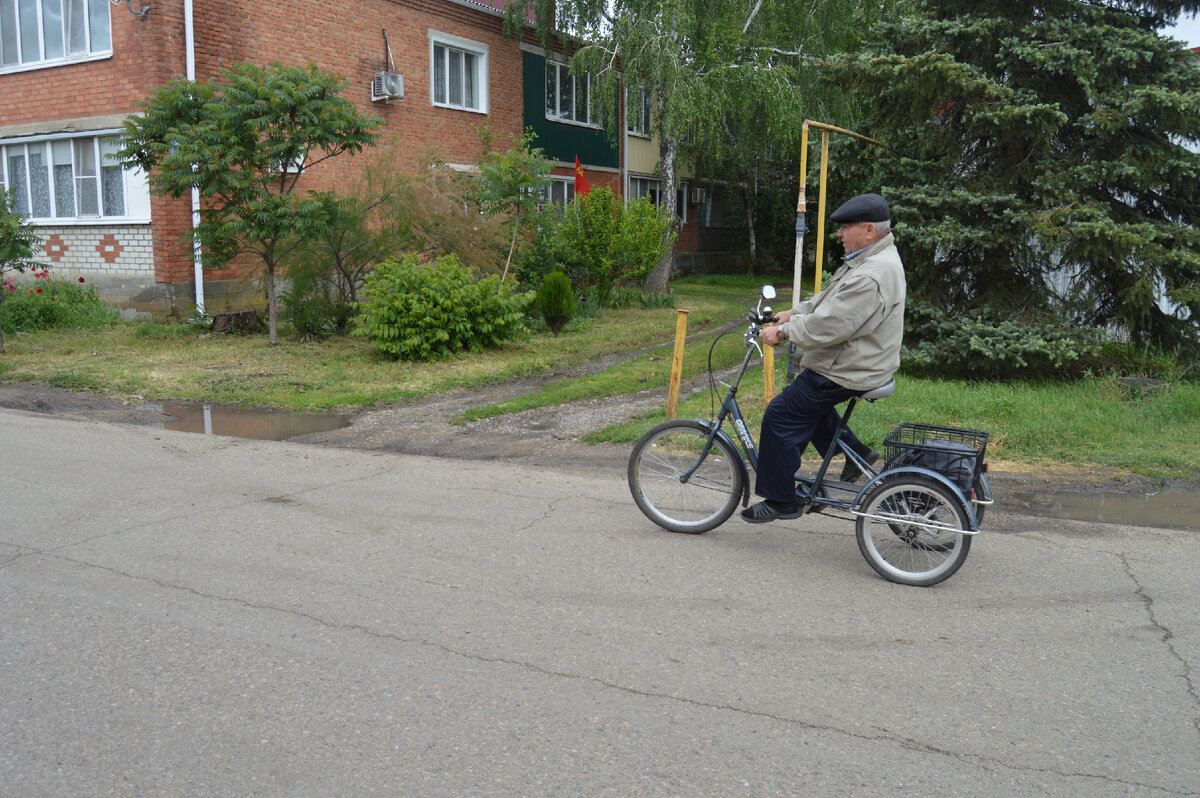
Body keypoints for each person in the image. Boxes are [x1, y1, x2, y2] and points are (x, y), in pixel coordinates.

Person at [741, 192, 907, 523]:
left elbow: (832, 324)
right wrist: (792, 313)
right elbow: (828, 301)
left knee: (780, 415)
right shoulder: (871, 259)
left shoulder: (871, 273)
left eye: (846, 228)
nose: (840, 234)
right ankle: (855, 452)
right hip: (861, 361)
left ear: (869, 230)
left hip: (850, 367)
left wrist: (785, 333)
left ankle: (781, 500)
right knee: (808, 407)